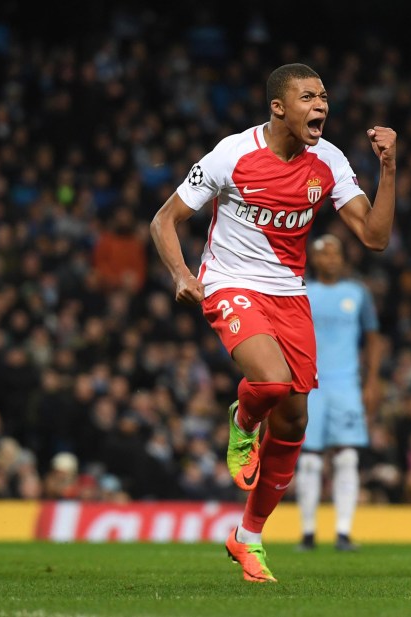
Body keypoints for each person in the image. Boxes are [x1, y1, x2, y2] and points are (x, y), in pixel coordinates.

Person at [150, 63, 396, 582]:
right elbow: (164, 219)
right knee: (270, 382)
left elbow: (374, 237)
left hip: (290, 295)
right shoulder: (232, 153)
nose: (322, 106)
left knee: (293, 423)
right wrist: (180, 273)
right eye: (309, 97)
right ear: (279, 107)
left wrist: (389, 169)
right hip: (230, 283)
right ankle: (242, 421)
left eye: (325, 96)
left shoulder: (328, 160)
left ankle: (248, 538)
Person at [296, 235, 383, 552]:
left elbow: (373, 338)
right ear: (314, 259)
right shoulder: (301, 291)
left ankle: (343, 533)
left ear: (343, 258)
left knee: (347, 456)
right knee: (309, 460)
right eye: (324, 253)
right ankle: (308, 534)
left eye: (335, 253)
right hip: (310, 383)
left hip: (346, 384)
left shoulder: (357, 293)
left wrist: (372, 381)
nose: (330, 258)